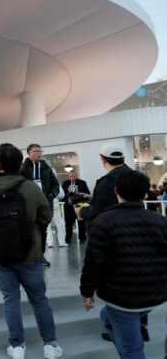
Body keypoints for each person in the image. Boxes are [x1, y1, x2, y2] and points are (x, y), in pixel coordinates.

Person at [0, 144, 62, 359]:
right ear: (20, 165)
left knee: (10, 299)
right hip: (30, 254)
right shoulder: (31, 188)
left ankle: (17, 346)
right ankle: (50, 345)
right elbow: (46, 216)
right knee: (39, 299)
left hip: (0, 255)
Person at [79, 171, 167, 359]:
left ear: (115, 190)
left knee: (131, 349)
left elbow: (94, 261)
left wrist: (87, 292)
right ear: (145, 194)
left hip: (122, 298)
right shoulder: (160, 221)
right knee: (107, 318)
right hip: (154, 293)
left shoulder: (103, 221)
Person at [75, 142, 149, 343]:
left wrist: (82, 211)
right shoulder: (132, 176)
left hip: (113, 237)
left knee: (117, 279)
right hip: (140, 243)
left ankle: (122, 329)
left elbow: (98, 210)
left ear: (103, 160)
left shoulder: (107, 181)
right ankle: (142, 326)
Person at [20, 144, 60, 267]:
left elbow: (55, 184)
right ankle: (25, 255)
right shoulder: (23, 168)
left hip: (44, 203)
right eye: (35, 151)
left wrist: (52, 194)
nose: (39, 153)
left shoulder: (46, 167)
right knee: (28, 230)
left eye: (40, 151)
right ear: (29, 153)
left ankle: (40, 256)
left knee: (43, 230)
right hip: (28, 204)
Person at [61, 170, 91, 244]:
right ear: (68, 176)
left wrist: (79, 194)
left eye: (73, 176)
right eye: (70, 176)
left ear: (76, 176)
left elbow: (87, 194)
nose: (72, 178)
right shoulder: (65, 183)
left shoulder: (82, 183)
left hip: (79, 205)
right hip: (69, 206)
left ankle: (82, 239)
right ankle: (68, 239)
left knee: (81, 223)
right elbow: (62, 195)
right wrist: (68, 192)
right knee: (68, 224)